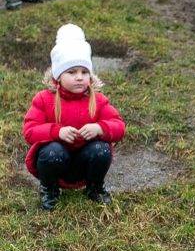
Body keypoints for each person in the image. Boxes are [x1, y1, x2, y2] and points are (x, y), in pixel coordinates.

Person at [22, 25, 126, 210]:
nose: (79, 77)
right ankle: (49, 189)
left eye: (84, 72)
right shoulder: (44, 99)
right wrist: (56, 131)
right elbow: (29, 131)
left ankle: (94, 187)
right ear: (58, 76)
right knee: (52, 151)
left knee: (102, 149)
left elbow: (119, 126)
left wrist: (100, 128)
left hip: (84, 162)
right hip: (55, 160)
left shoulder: (98, 100)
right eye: (72, 72)